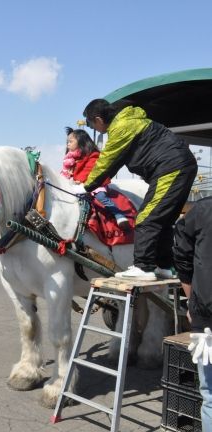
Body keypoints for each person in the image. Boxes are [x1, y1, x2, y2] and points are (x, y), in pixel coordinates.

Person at [81, 99, 197, 281]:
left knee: (146, 218)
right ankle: (164, 266)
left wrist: (84, 187)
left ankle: (143, 267)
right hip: (179, 165)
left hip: (171, 168)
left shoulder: (121, 128)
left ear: (99, 119)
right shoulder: (130, 121)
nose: (93, 129)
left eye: (91, 124)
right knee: (163, 220)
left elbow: (106, 163)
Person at [172, 197, 212, 430]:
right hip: (204, 318)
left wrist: (191, 300)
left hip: (205, 320)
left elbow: (181, 259)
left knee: (209, 393)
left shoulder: (200, 210)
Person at [61, 127, 129, 229]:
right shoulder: (69, 159)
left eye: (71, 141)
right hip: (77, 186)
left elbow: (89, 171)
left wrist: (79, 182)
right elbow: (65, 173)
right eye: (67, 142)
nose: (68, 144)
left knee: (101, 196)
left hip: (94, 184)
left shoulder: (93, 155)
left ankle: (119, 215)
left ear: (81, 142)